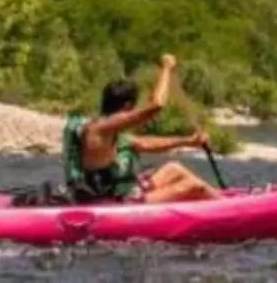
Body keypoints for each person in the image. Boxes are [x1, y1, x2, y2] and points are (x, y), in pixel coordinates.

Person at [62, 54, 224, 204]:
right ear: (127, 106)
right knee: (194, 187)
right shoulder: (100, 129)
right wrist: (166, 68)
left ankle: (222, 199)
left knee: (174, 169)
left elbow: (144, 143)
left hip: (122, 192)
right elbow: (157, 105)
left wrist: (188, 141)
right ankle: (227, 208)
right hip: (114, 202)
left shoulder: (104, 130)